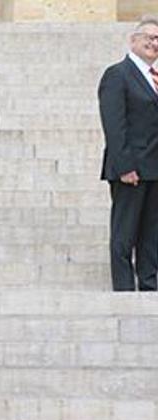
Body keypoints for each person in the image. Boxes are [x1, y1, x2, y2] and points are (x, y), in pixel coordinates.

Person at [98, 16, 158, 291]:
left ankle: (149, 284)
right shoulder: (117, 74)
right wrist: (125, 166)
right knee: (125, 232)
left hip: (155, 168)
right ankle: (123, 287)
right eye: (148, 36)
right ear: (133, 41)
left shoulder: (156, 78)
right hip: (130, 169)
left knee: (152, 233)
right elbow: (114, 124)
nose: (154, 43)